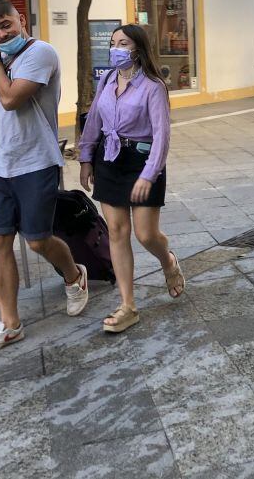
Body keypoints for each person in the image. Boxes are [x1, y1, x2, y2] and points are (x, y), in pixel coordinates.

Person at [0, 0, 88, 357]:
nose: (1, 34)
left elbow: (10, 100)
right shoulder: (2, 60)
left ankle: (74, 276)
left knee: (37, 241)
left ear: (21, 19)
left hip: (35, 163)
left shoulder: (41, 53)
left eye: (6, 25)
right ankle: (10, 325)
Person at [78, 24, 183, 334]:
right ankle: (128, 306)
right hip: (109, 159)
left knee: (146, 234)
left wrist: (149, 174)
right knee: (117, 231)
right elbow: (94, 119)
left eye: (123, 43)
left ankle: (168, 262)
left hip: (141, 161)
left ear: (138, 48)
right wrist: (86, 158)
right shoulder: (108, 79)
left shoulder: (153, 86)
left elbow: (162, 135)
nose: (116, 49)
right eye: (113, 43)